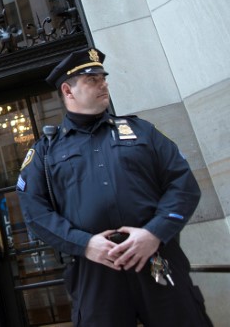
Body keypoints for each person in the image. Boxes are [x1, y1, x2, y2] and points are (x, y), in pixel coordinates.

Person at [16, 47, 212, 326]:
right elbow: (35, 212)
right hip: (94, 270)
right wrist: (83, 244)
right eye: (92, 80)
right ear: (68, 91)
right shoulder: (46, 152)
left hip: (155, 257)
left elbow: (183, 185)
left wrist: (154, 233)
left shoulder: (142, 131)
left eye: (103, 78)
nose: (103, 84)